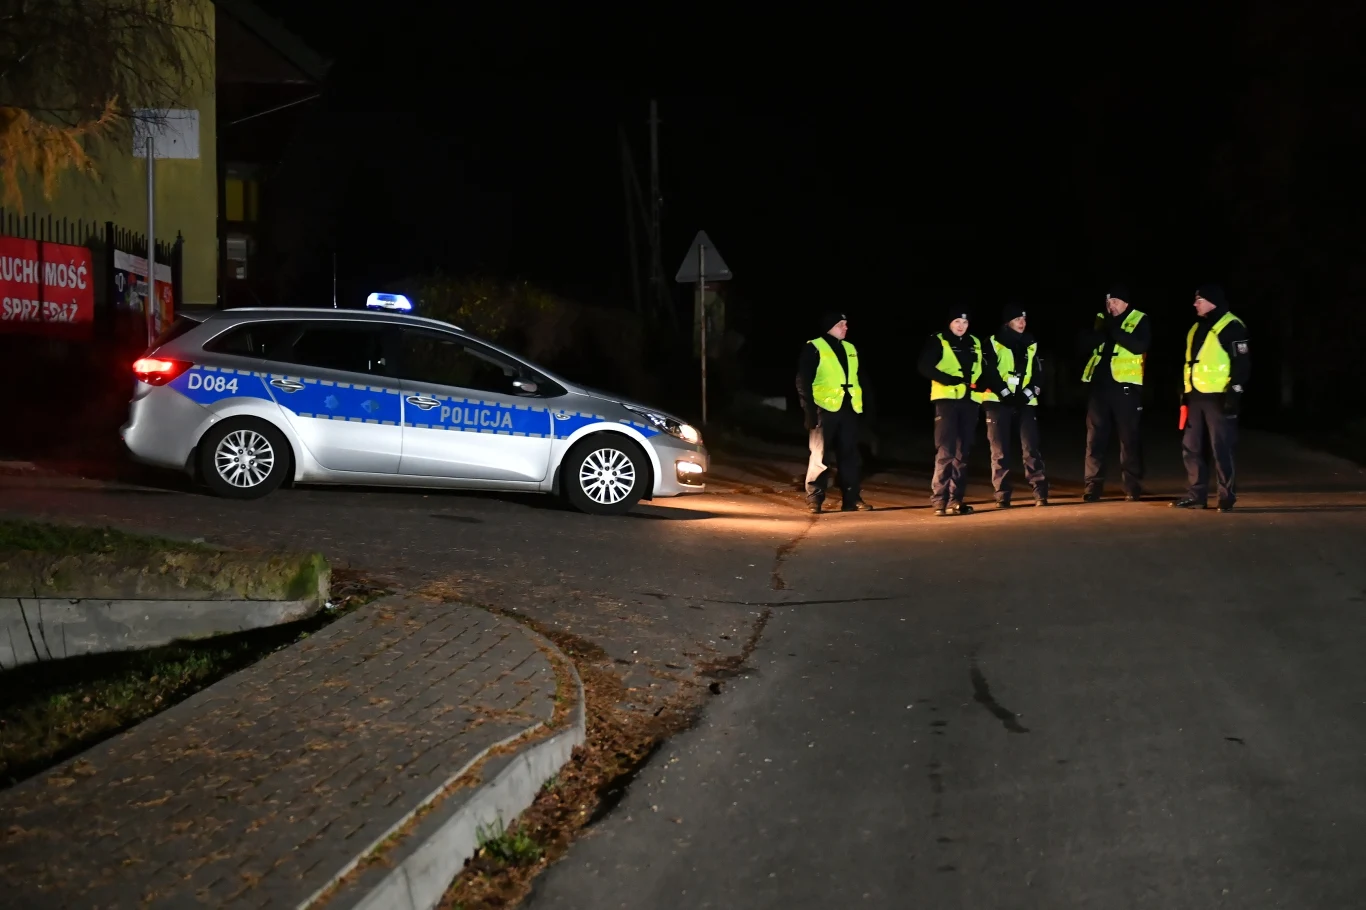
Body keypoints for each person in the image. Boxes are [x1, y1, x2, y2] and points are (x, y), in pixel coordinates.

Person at [1172, 283, 1249, 512]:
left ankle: (1226, 497)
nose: (1195, 304)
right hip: (1195, 396)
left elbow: (1242, 363)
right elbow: (1190, 362)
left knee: (1221, 447)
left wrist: (1234, 392)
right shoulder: (1196, 327)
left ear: (1211, 301)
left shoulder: (1231, 326)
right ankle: (1196, 495)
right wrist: (1183, 391)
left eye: (1199, 300)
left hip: (1218, 395)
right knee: (1191, 447)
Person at [918, 309, 993, 516]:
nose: (961, 325)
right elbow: (924, 366)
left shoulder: (975, 342)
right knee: (946, 451)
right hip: (947, 401)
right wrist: (948, 379)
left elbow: (984, 369)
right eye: (957, 321)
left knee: (963, 452)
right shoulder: (938, 340)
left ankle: (955, 499)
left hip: (970, 401)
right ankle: (939, 501)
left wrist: (982, 384)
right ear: (949, 323)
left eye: (965, 322)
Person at [796, 311, 872, 513]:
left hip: (848, 409)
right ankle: (814, 498)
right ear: (829, 327)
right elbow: (803, 381)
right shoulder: (814, 347)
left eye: (846, 324)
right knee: (819, 455)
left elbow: (860, 379)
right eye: (841, 324)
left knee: (850, 456)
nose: (845, 327)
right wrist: (809, 411)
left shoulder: (850, 348)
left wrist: (865, 409)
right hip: (824, 408)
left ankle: (852, 499)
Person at [1080, 285, 1151, 502]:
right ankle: (1093, 486)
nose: (1111, 306)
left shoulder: (1139, 319)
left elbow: (1139, 346)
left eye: (1115, 302)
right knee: (1095, 439)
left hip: (1125, 388)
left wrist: (1114, 331)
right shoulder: (1102, 318)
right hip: (1099, 387)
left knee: (1129, 438)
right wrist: (1101, 332)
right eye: (1108, 302)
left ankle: (1132, 485)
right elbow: (1088, 343)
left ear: (1126, 302)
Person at [979, 303, 1049, 507]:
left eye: (1024, 319)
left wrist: (1027, 394)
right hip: (997, 402)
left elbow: (1038, 372)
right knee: (999, 451)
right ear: (1008, 322)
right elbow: (989, 371)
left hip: (1025, 402)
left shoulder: (1031, 342)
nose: (1022, 323)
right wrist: (1005, 393)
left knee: (1031, 447)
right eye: (1018, 319)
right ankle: (1002, 494)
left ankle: (1040, 493)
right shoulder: (992, 342)